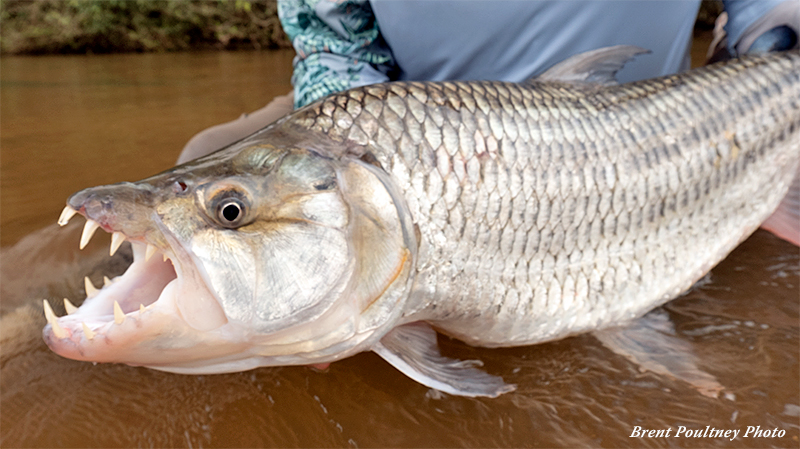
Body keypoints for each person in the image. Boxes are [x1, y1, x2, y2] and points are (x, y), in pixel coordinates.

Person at [177, 0, 799, 164]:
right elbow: (337, 44)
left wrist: (777, 57)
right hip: (417, 121)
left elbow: (770, 12)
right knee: (206, 160)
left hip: (650, 117)